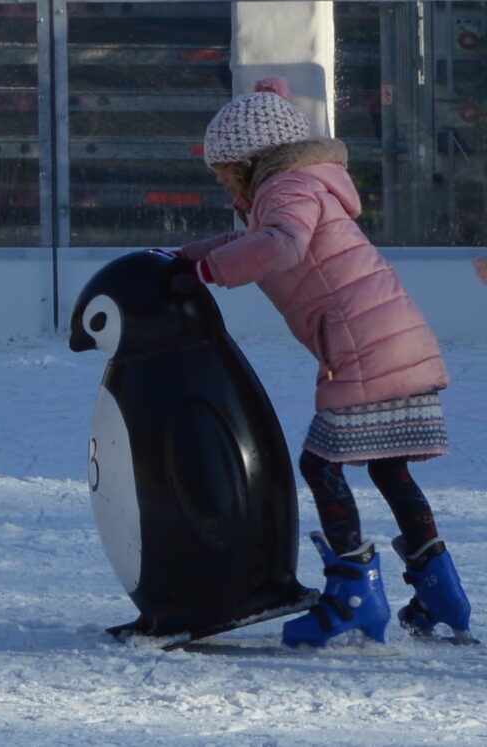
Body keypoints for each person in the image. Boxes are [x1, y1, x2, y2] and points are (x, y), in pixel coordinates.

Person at [181, 77, 470, 647]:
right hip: (398, 337)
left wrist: (203, 274)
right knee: (390, 467)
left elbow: (280, 245)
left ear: (251, 159)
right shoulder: (302, 184)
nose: (218, 178)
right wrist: (182, 255)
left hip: (363, 344)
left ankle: (353, 596)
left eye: (223, 167)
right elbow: (252, 236)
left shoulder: (286, 190)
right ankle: (442, 593)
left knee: (321, 465)